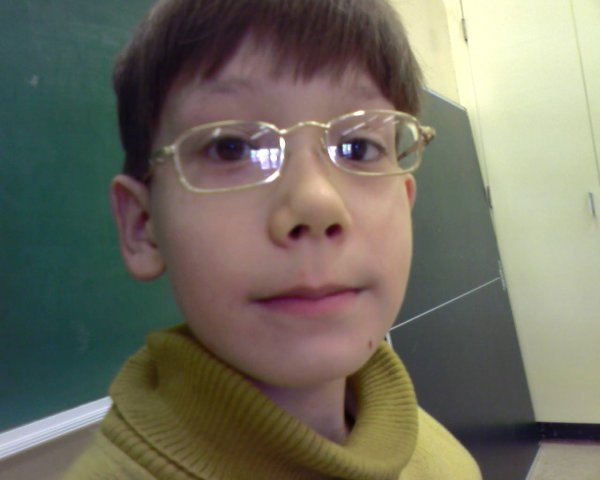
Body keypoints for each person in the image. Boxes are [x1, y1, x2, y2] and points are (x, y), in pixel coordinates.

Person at [65, 0, 481, 478]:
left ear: (405, 202)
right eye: (231, 148)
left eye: (358, 147)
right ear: (143, 226)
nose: (316, 203)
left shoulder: (445, 460)